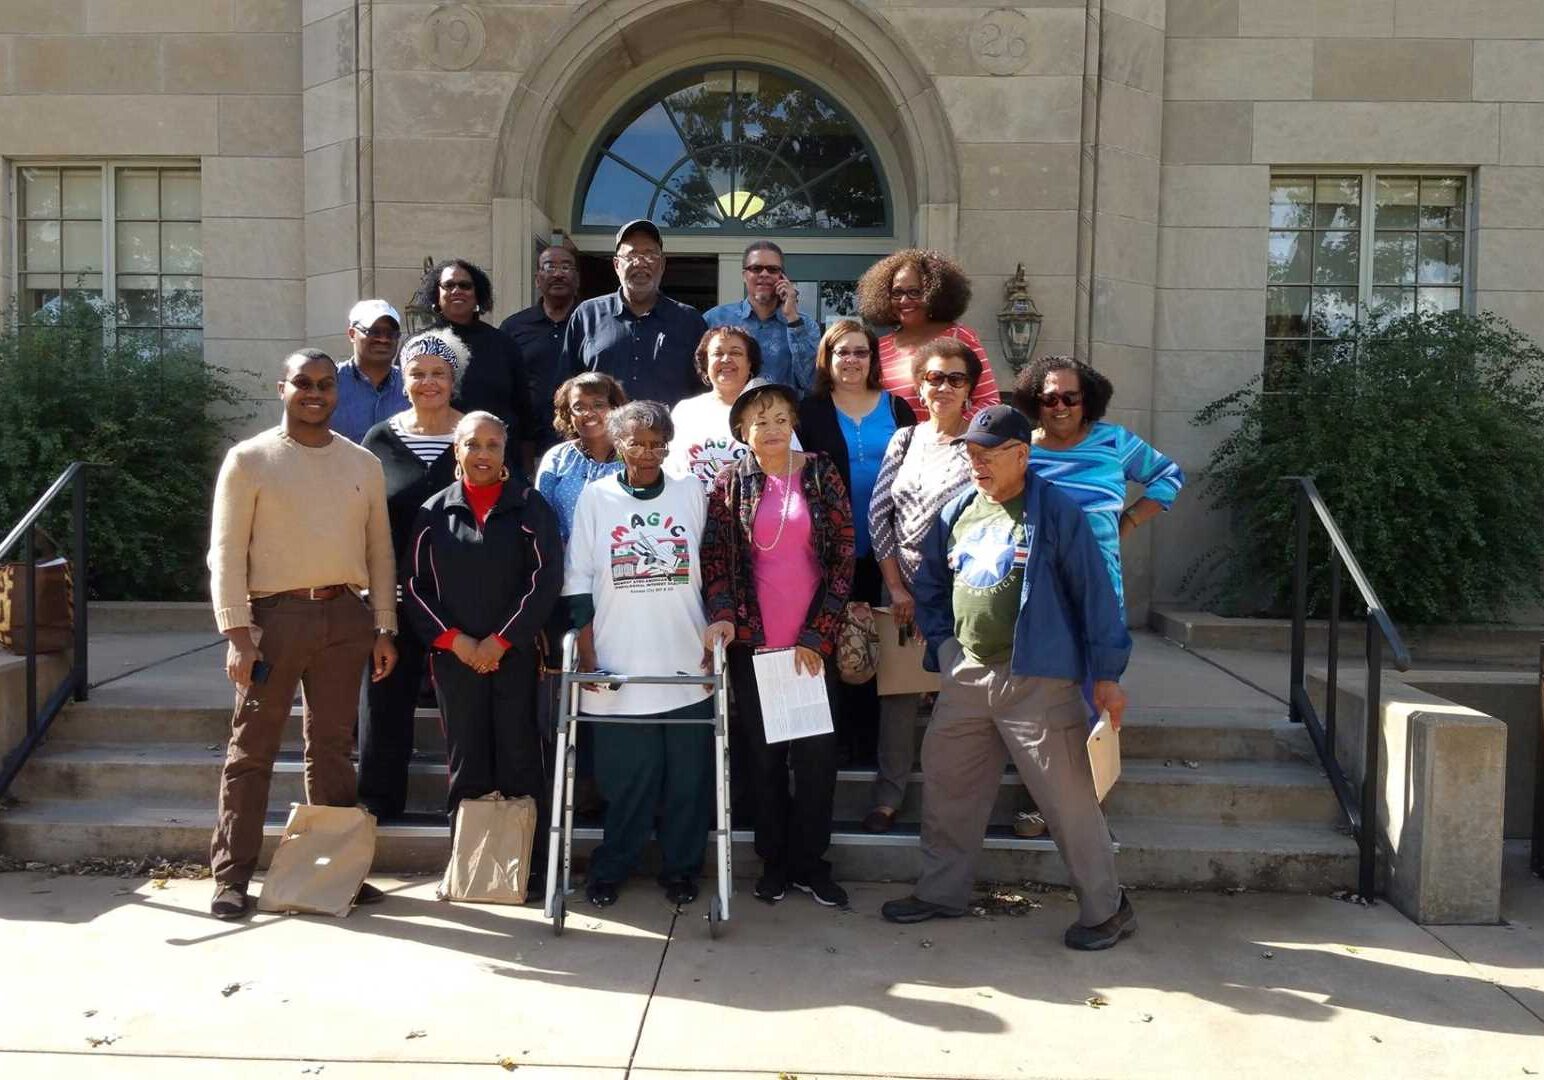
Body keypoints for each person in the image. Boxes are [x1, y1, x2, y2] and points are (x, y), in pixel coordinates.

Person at [879, 405, 1137, 952]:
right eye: (970, 454)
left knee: (1068, 801)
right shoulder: (957, 511)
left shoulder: (1057, 512)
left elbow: (1096, 595)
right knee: (949, 791)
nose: (976, 463)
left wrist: (1108, 674)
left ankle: (1107, 909)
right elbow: (928, 584)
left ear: (1021, 454)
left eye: (987, 454)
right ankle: (941, 892)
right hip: (967, 674)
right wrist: (946, 649)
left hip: (1039, 679)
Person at [206, 348, 399, 920]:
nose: (315, 393)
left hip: (345, 617)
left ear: (337, 392)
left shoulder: (363, 463)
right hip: (274, 620)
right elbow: (225, 553)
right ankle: (231, 877)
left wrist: (383, 626)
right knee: (252, 749)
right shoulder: (250, 459)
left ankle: (333, 873)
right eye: (302, 383)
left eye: (324, 384)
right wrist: (237, 633)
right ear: (282, 388)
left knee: (334, 749)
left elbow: (380, 551)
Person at [702, 379, 855, 908]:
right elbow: (716, 561)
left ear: (794, 424)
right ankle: (774, 864)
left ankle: (812, 863)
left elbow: (842, 560)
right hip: (756, 644)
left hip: (811, 645)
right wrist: (722, 617)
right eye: (759, 421)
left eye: (780, 419)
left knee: (815, 761)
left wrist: (818, 635)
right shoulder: (729, 482)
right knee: (763, 762)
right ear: (743, 432)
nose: (771, 429)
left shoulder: (819, 472)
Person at [563, 401, 719, 908]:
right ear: (618, 443)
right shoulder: (596, 497)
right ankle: (612, 867)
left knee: (687, 784)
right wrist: (586, 657)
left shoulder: (690, 491)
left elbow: (710, 566)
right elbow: (579, 578)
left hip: (684, 659)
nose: (647, 452)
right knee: (625, 782)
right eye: (636, 442)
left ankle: (681, 870)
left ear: (669, 444)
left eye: (657, 443)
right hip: (617, 662)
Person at [402, 412, 565, 858]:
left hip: (514, 655)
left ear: (505, 451)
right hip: (455, 659)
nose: (483, 454)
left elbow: (545, 579)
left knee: (520, 756)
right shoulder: (434, 512)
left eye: (493, 444)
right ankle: (469, 865)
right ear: (457, 449)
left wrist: (502, 640)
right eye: (473, 444)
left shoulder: (530, 507)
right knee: (466, 759)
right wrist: (457, 641)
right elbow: (415, 588)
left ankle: (525, 866)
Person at [862, 337, 979, 833]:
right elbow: (879, 514)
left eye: (955, 378)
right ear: (918, 385)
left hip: (965, 593)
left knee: (960, 703)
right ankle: (889, 796)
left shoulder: (982, 441)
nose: (944, 387)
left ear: (970, 387)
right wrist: (896, 587)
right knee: (900, 698)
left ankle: (951, 803)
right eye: (934, 377)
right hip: (905, 590)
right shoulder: (904, 440)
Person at [795, 319, 916, 766]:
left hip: (890, 552)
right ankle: (836, 743)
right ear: (827, 358)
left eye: (860, 352)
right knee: (833, 644)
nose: (851, 360)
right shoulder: (809, 412)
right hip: (827, 553)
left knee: (881, 646)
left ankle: (872, 747)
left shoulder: (899, 408)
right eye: (842, 352)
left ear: (873, 359)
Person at [356, 331, 465, 821]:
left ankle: (469, 808)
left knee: (465, 708)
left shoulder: (476, 434)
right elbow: (360, 516)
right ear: (402, 378)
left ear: (454, 379)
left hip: (462, 599)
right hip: (395, 595)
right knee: (385, 699)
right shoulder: (379, 440)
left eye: (438, 373)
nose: (428, 382)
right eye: (417, 372)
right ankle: (377, 805)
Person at [1011, 355, 1185, 618]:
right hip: (1034, 587)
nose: (1061, 406)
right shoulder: (1022, 450)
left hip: (1098, 588)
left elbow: (1169, 476)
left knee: (1099, 657)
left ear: (1087, 400)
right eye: (1050, 399)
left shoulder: (1113, 441)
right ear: (1036, 401)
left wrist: (1128, 521)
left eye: (1071, 398)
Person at [560, 219, 707, 408]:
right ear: (616, 265)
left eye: (650, 255)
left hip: (670, 436)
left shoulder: (689, 321)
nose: (640, 263)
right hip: (603, 436)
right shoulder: (587, 316)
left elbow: (704, 390)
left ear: (662, 264)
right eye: (631, 255)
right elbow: (566, 388)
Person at [411, 258, 536, 478]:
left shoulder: (503, 344)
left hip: (497, 460)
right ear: (436, 295)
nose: (457, 290)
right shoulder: (419, 345)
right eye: (449, 285)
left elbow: (523, 411)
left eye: (465, 285)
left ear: (477, 293)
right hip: (436, 458)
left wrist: (525, 471)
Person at [855, 248, 1001, 421]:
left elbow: (989, 402)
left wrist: (949, 435)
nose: (904, 300)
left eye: (915, 292)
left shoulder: (958, 337)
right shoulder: (879, 347)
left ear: (935, 294)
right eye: (897, 293)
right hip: (891, 445)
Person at [704, 240, 818, 395]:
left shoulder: (805, 325)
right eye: (756, 268)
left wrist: (792, 318)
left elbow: (811, 382)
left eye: (772, 269)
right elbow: (699, 375)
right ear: (744, 276)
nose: (764, 274)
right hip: (728, 416)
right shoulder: (715, 319)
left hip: (784, 417)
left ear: (782, 277)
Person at [500, 245, 580, 455]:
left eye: (566, 267)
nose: (558, 273)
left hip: (581, 440)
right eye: (549, 266)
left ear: (577, 279)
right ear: (537, 279)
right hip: (526, 443)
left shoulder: (593, 322)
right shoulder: (514, 327)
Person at [665, 326, 761, 491]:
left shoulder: (768, 410)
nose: (726, 359)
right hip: (694, 513)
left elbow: (789, 469)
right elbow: (669, 471)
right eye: (717, 353)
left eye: (736, 353)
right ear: (705, 363)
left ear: (750, 363)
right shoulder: (685, 411)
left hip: (752, 514)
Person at [535, 372, 628, 541]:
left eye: (598, 405)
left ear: (615, 409)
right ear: (568, 414)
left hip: (626, 561)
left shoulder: (634, 456)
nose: (588, 413)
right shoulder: (556, 458)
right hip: (569, 563)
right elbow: (541, 520)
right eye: (579, 407)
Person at [331, 299, 407, 444]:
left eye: (391, 333)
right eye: (374, 332)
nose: (383, 339)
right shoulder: (329, 383)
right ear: (352, 334)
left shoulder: (412, 386)